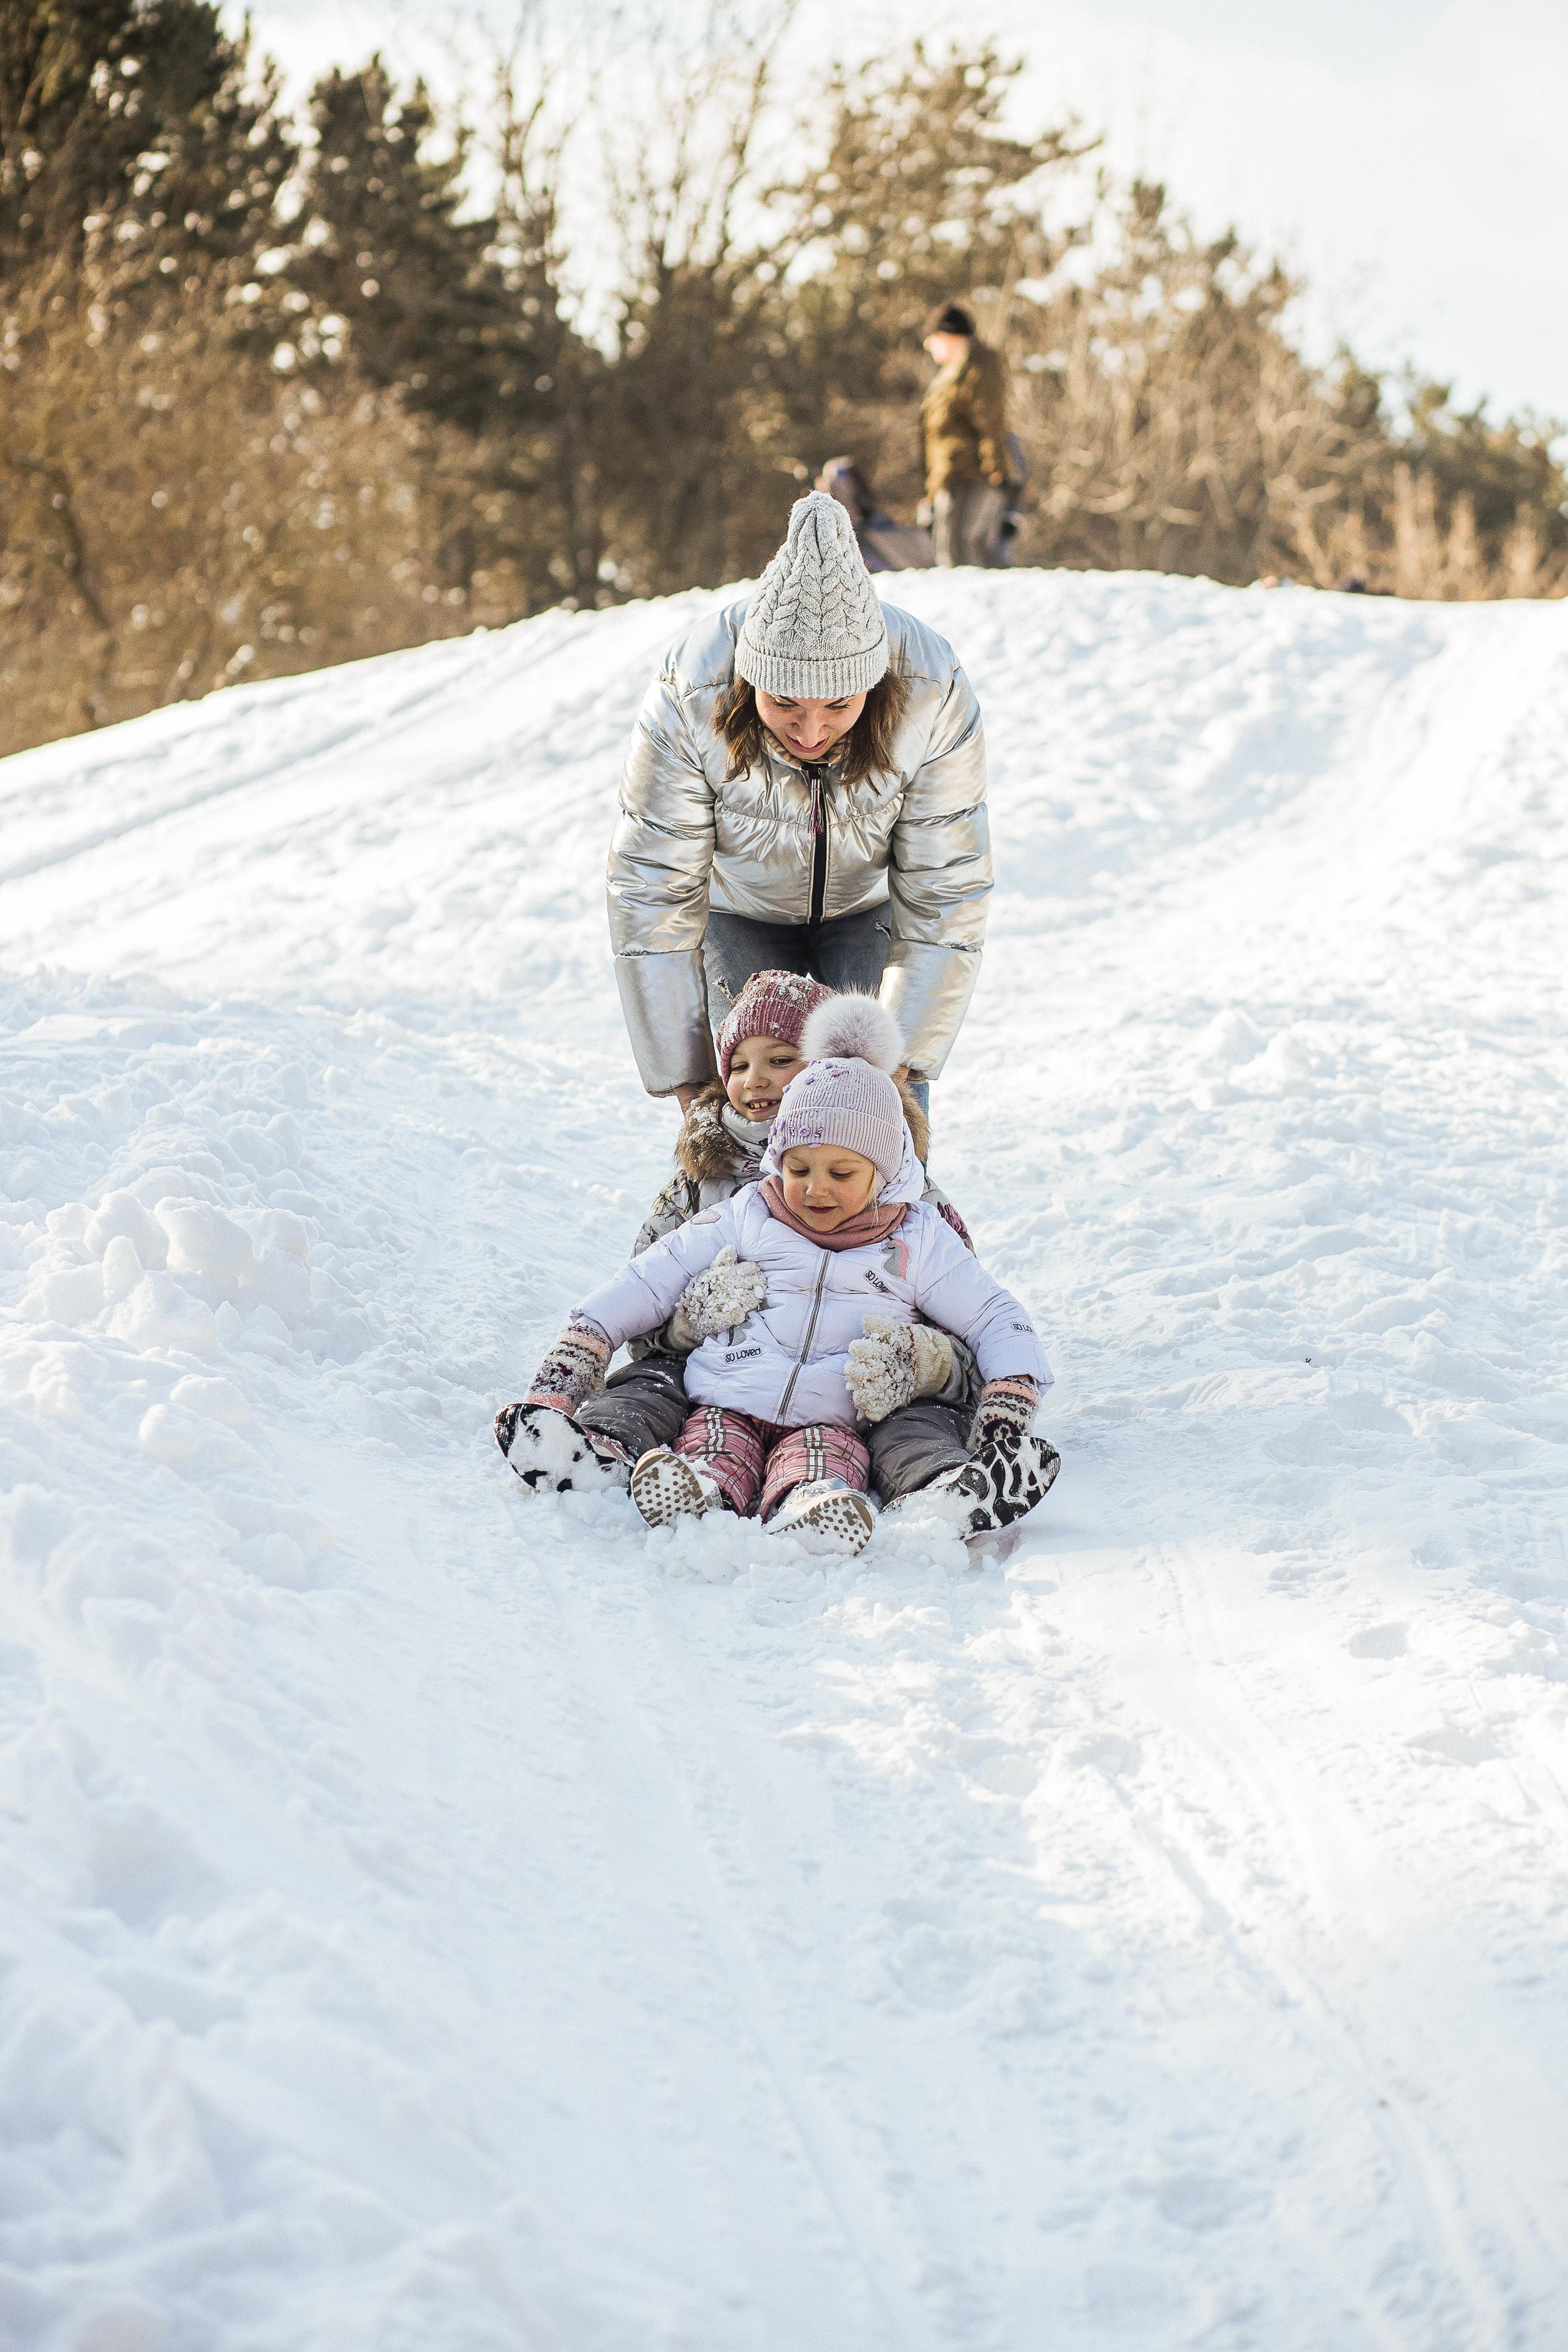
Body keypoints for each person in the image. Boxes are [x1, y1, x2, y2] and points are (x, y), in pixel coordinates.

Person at [495, 997, 1059, 1552]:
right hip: (726, 1396)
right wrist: (579, 1351)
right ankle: (685, 1490)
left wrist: (1005, 1410)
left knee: (823, 1462)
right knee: (711, 1450)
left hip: (835, 1415)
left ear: (885, 1171)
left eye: (841, 1172)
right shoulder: (748, 1214)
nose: (815, 1189)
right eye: (797, 1168)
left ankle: (835, 1504)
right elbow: (647, 1280)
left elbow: (992, 1316)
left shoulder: (918, 1238)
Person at [606, 490, 992, 1119]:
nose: (810, 731)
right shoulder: (691, 688)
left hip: (868, 909)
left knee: (872, 1104)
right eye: (784, 703)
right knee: (755, 1109)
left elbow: (947, 887)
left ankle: (898, 1211)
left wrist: (901, 1061)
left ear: (872, 685)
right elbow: (651, 887)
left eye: (838, 706)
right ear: (751, 678)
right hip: (740, 910)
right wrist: (692, 1083)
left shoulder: (931, 685)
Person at [919, 301, 1012, 570]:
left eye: (933, 339)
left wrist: (995, 468)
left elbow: (989, 419)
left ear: (950, 337)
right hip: (950, 474)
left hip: (969, 474)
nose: (929, 346)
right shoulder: (953, 371)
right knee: (950, 550)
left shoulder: (979, 368)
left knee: (960, 552)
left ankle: (975, 608)